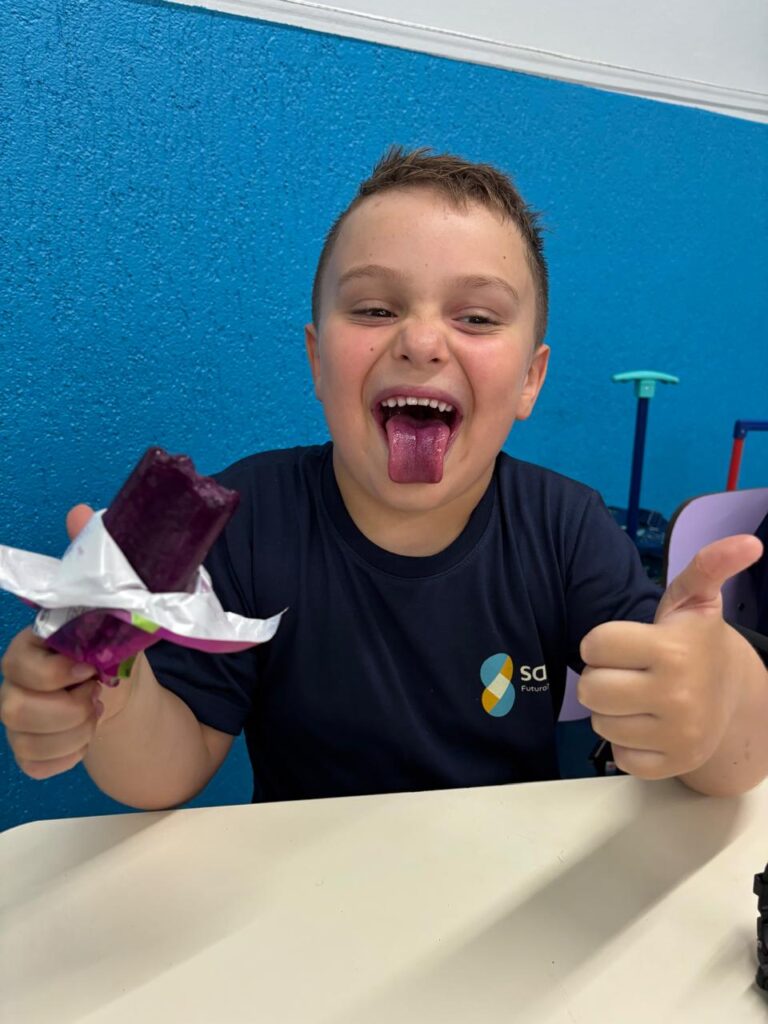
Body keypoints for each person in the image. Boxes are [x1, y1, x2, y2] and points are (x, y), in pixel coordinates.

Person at [2, 147, 767, 809]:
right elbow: (166, 772)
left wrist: (719, 691)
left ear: (530, 381)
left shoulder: (564, 526)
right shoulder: (251, 519)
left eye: (476, 318)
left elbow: (735, 765)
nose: (422, 340)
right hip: (302, 891)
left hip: (504, 883)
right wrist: (112, 694)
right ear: (317, 360)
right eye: (373, 308)